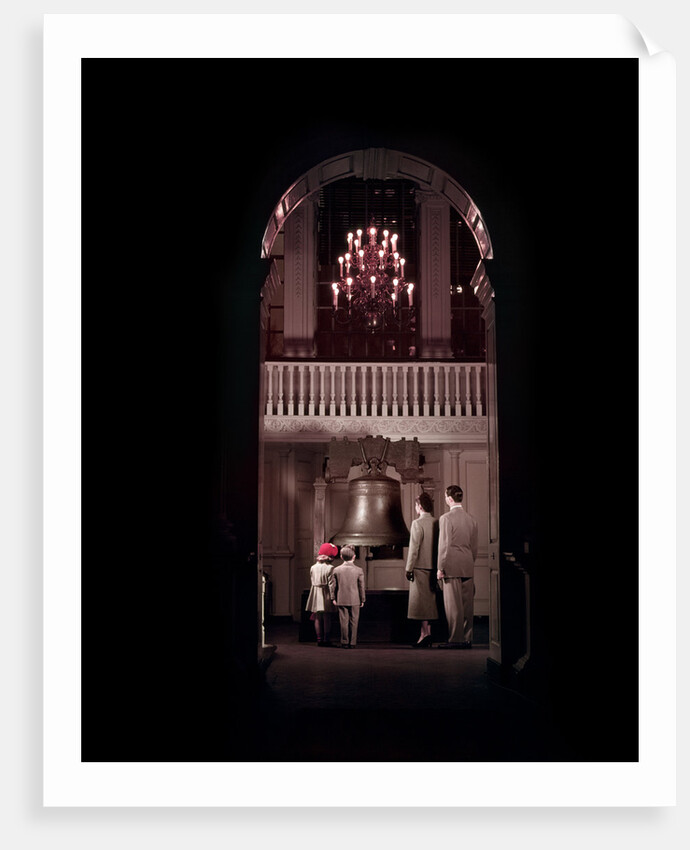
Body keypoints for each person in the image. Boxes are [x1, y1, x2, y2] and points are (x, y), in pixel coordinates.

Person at [436, 484, 479, 648]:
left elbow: (444, 545)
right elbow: (474, 547)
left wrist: (440, 567)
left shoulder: (446, 518)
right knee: (468, 606)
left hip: (452, 566)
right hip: (467, 564)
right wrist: (469, 562)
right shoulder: (471, 519)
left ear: (449, 498)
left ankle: (455, 639)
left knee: (453, 607)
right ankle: (467, 638)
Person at [405, 492, 439, 648]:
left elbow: (414, 548)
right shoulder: (437, 522)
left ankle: (424, 634)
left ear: (419, 506)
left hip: (419, 567)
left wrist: (409, 568)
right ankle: (427, 634)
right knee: (431, 602)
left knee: (421, 604)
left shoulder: (417, 523)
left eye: (416, 505)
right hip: (434, 567)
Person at [328, 544, 366, 648]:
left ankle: (344, 642)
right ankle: (352, 642)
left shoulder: (336, 570)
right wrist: (363, 599)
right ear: (354, 556)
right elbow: (361, 586)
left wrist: (333, 597)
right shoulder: (359, 570)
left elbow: (333, 586)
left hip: (341, 598)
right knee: (354, 621)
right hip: (355, 599)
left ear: (341, 557)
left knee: (343, 622)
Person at [305, 542, 338, 646]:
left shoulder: (313, 567)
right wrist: (333, 597)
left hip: (315, 592)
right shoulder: (330, 568)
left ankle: (319, 639)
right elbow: (331, 585)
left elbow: (312, 580)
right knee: (327, 617)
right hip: (325, 592)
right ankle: (326, 639)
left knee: (317, 617)